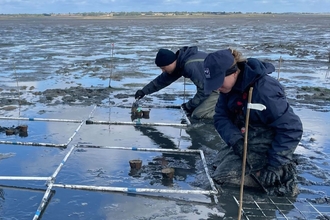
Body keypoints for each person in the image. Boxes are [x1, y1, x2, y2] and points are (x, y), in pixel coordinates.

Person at [203, 48, 303, 196]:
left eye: (219, 81)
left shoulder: (264, 91)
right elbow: (220, 117)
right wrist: (236, 141)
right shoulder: (227, 89)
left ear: (234, 72)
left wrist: (275, 164)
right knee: (216, 165)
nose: (217, 87)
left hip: (268, 141)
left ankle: (282, 172)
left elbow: (292, 128)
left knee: (222, 178)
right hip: (247, 138)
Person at [134, 46, 219, 119]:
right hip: (211, 84)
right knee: (195, 108)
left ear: (170, 63)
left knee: (198, 114)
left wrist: (189, 106)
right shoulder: (180, 62)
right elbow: (162, 81)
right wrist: (144, 91)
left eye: (163, 68)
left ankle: (228, 115)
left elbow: (205, 90)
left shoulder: (190, 66)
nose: (163, 71)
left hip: (221, 86)